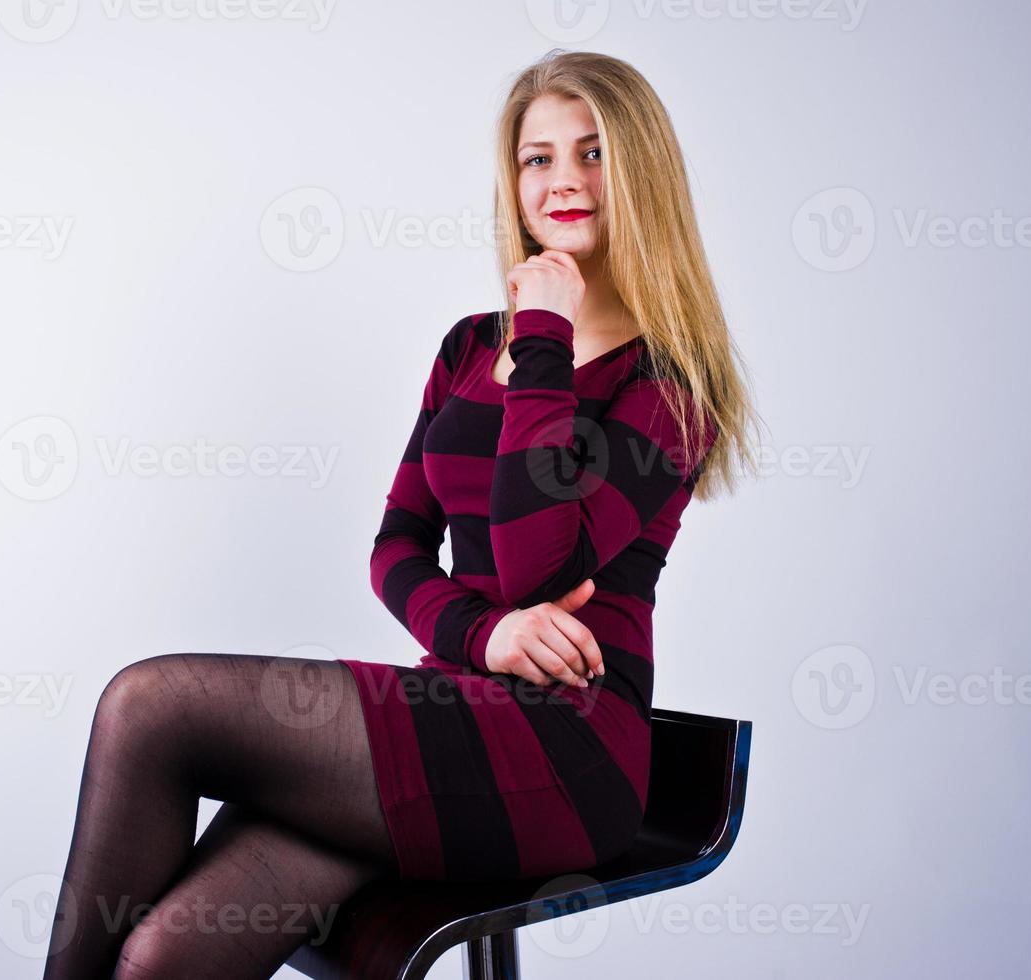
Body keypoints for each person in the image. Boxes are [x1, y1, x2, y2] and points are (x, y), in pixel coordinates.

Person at [41, 48, 760, 980]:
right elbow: (397, 547)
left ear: (641, 174)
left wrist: (543, 334)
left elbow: (542, 559)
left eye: (592, 154)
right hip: (447, 710)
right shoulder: (468, 347)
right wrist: (485, 636)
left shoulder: (670, 383)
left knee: (149, 706)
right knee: (162, 957)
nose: (563, 180)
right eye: (537, 158)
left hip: (566, 754)